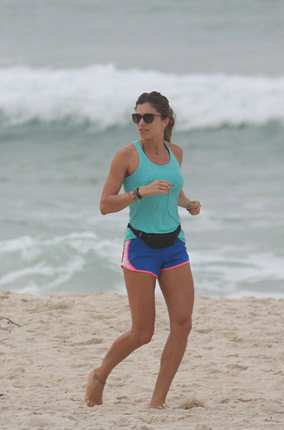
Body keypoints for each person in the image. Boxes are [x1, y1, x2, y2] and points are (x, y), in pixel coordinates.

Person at [85, 91, 202, 409]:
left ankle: (157, 401)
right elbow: (105, 205)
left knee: (182, 322)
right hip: (140, 246)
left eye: (147, 117)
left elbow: (171, 188)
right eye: (136, 117)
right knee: (142, 332)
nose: (140, 123)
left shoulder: (175, 152)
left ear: (165, 120)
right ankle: (99, 376)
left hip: (174, 245)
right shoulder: (126, 156)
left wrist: (188, 202)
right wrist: (138, 192)